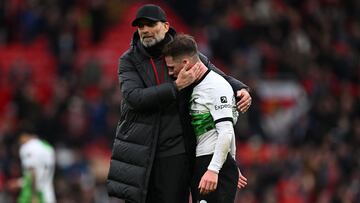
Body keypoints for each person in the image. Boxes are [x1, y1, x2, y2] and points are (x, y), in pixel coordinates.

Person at [106, 4, 252, 203]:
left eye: (150, 24)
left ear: (166, 26)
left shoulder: (181, 51)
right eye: (140, 26)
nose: (145, 30)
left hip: (176, 152)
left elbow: (210, 72)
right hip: (141, 151)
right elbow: (134, 98)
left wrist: (240, 88)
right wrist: (176, 87)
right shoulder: (129, 60)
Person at [163, 34, 247, 203]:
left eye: (172, 67)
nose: (170, 73)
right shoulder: (197, 86)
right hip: (206, 162)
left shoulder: (216, 86)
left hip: (212, 164)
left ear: (186, 63)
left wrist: (215, 169)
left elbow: (226, 132)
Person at [8, 130, 56, 203]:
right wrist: (19, 183)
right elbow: (42, 174)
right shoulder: (48, 147)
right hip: (48, 194)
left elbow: (32, 172)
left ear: (23, 136)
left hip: (35, 194)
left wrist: (33, 196)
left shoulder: (28, 147)